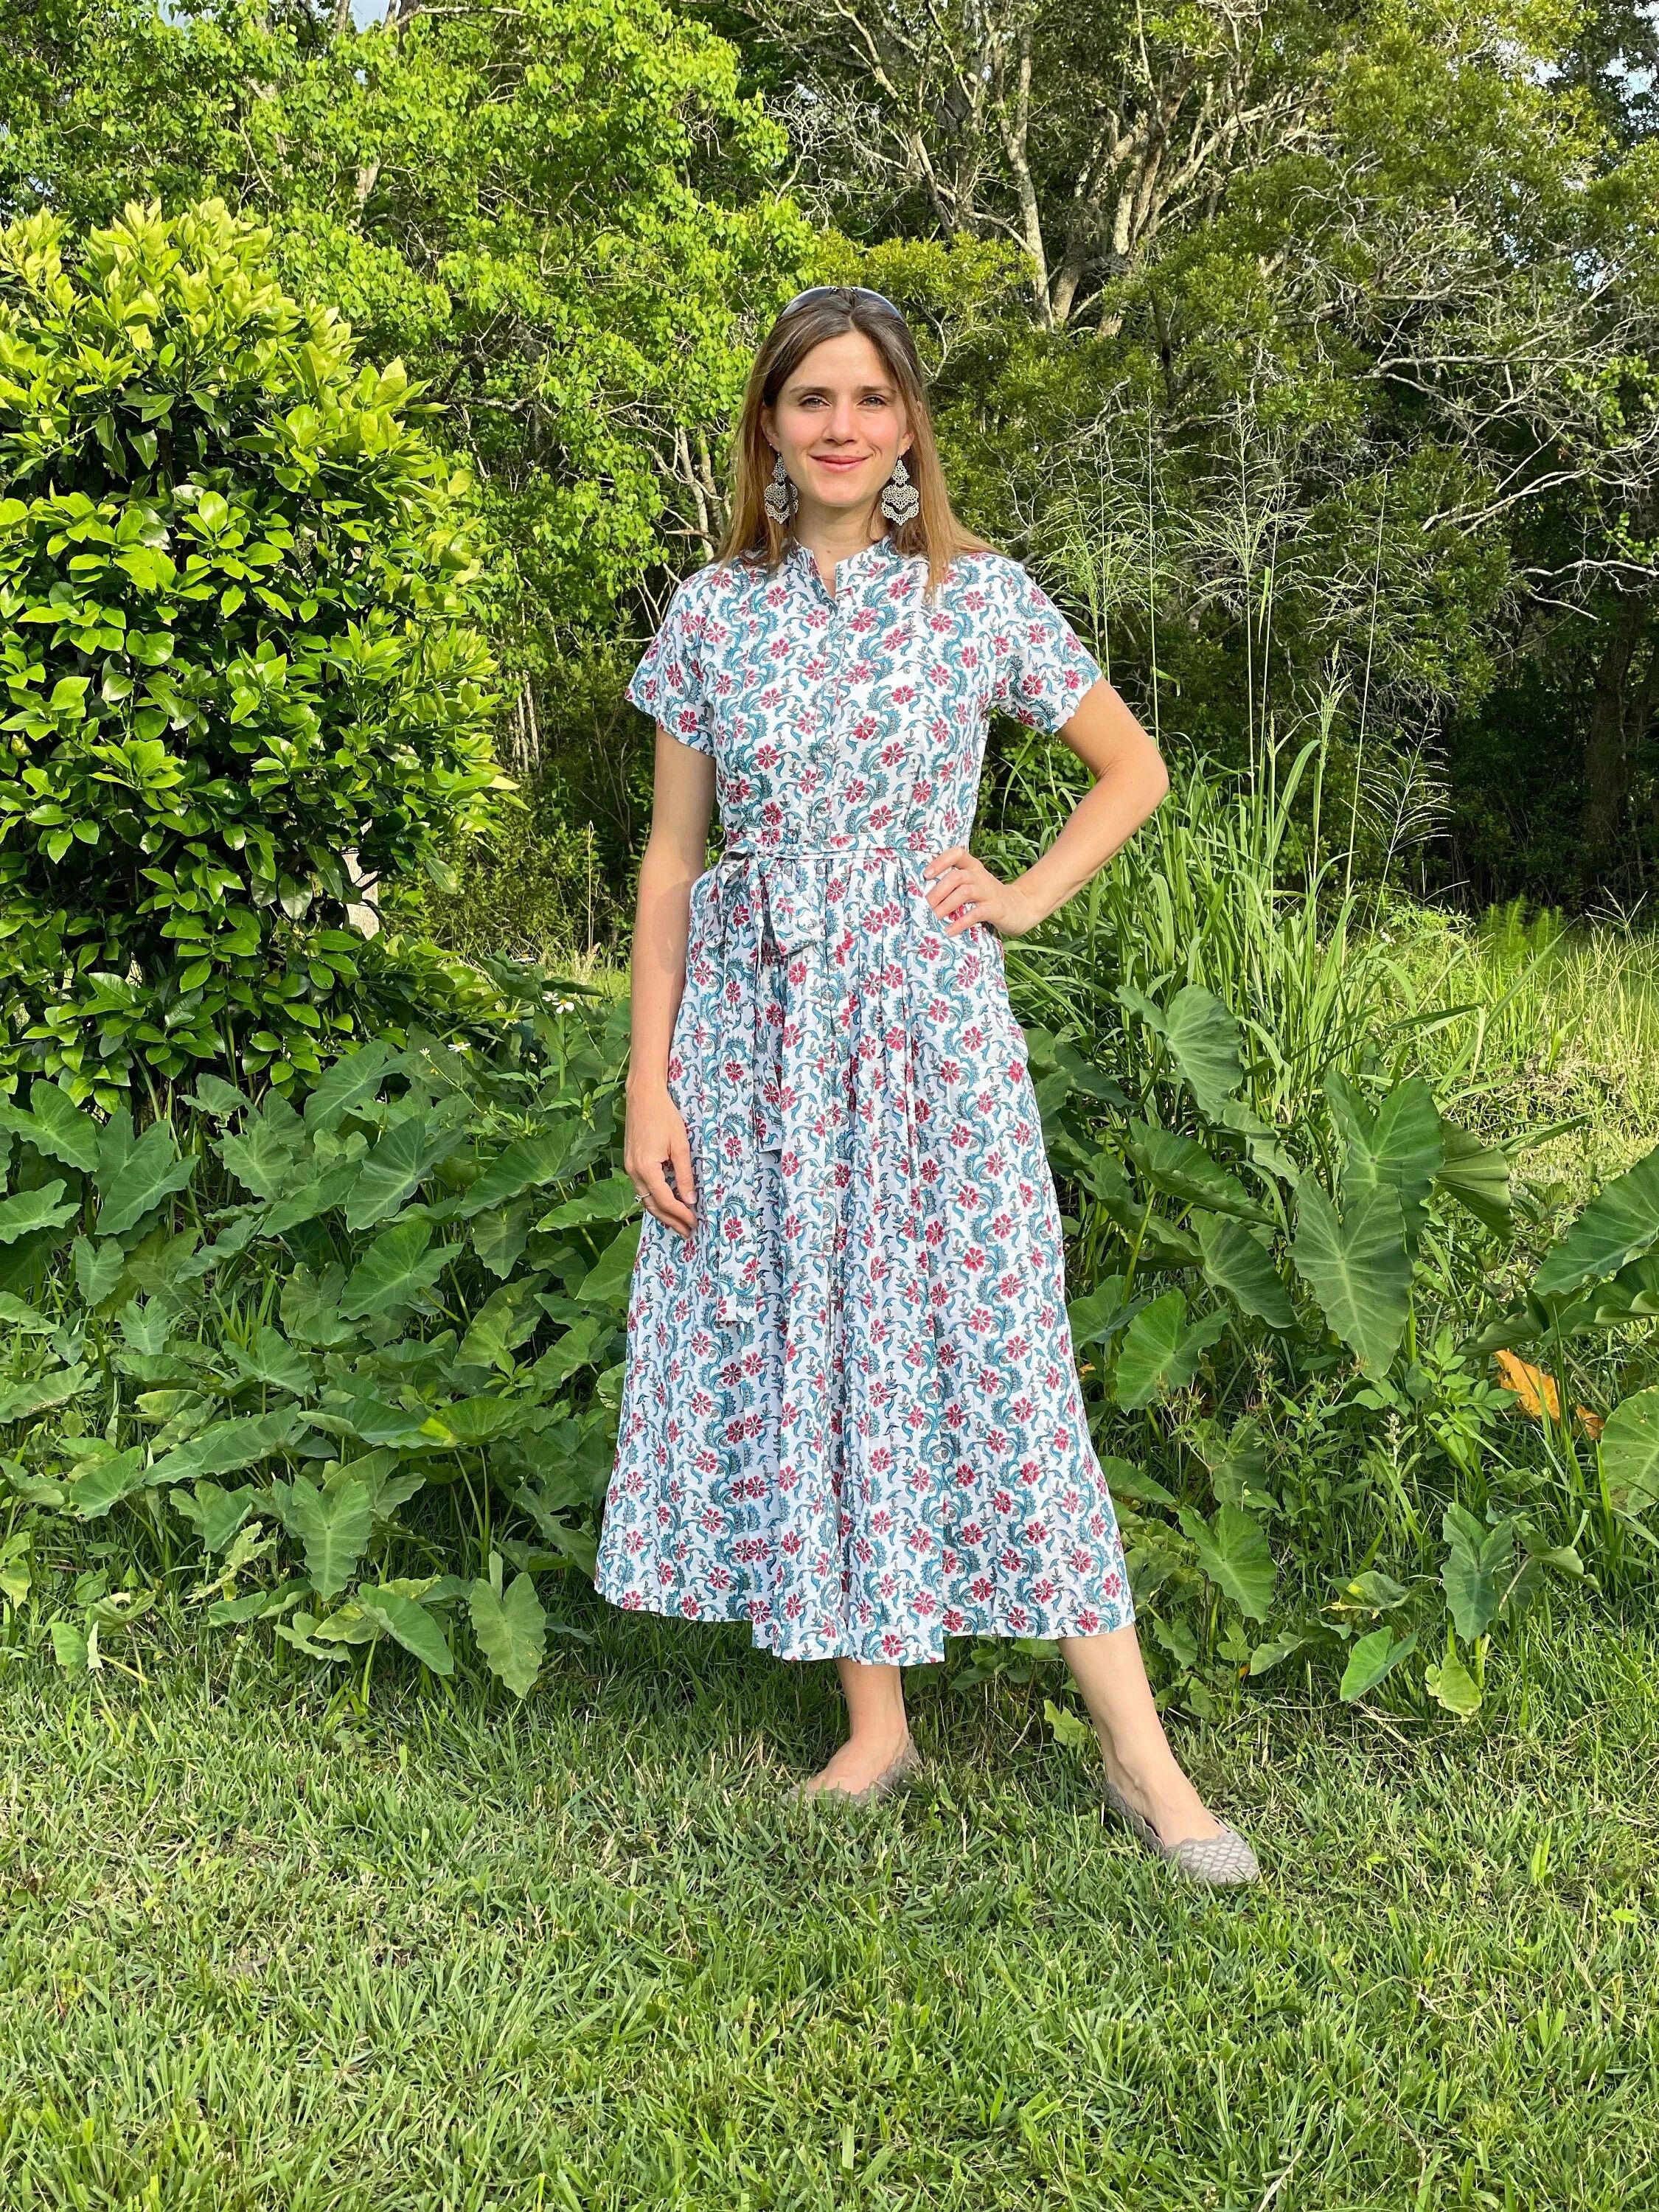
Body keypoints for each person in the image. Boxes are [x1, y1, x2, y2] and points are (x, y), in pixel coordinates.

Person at [596, 285, 1259, 1886]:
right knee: (815, 1346)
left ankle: (1142, 1756)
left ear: (908, 429)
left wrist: (1022, 894)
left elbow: (1136, 767)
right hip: (750, 1045)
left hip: (925, 1035)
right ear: (768, 423)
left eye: (870, 401)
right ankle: (875, 1721)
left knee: (1001, 1357)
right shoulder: (712, 616)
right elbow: (675, 858)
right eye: (810, 399)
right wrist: (650, 1082)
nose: (840, 427)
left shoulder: (978, 597)